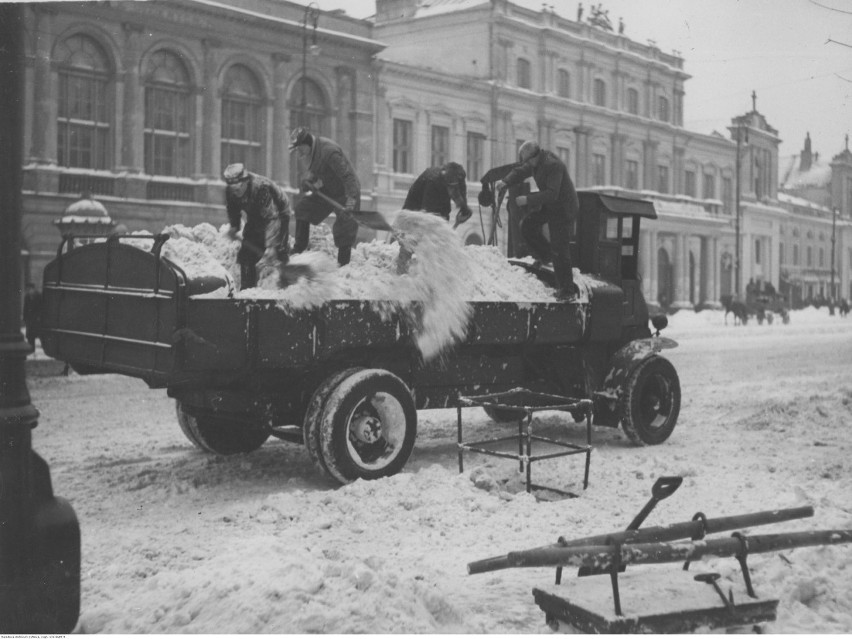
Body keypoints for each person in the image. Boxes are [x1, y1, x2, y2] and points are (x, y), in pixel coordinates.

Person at [494, 140, 579, 299]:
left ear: (534, 156)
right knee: (527, 225)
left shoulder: (553, 165)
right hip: (551, 205)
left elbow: (552, 194)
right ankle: (545, 255)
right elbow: (520, 171)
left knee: (559, 248)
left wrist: (527, 199)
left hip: (563, 208)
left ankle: (568, 291)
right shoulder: (535, 163)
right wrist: (505, 181)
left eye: (527, 162)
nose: (527, 165)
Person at [288, 127, 360, 266]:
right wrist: (309, 182)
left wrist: (351, 204)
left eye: (300, 148)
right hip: (329, 190)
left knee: (344, 228)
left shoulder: (329, 152)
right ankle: (298, 249)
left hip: (348, 192)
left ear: (306, 144)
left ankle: (343, 265)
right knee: (303, 209)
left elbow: (349, 178)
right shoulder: (313, 152)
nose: (299, 152)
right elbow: (317, 172)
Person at [223, 163, 291, 289]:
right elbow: (233, 209)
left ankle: (285, 286)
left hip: (279, 213)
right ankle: (247, 290)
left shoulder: (260, 189)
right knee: (246, 254)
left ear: (245, 182)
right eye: (233, 189)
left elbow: (272, 218)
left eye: (238, 189)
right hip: (255, 213)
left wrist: (271, 246)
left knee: (278, 251)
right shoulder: (231, 191)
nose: (236, 193)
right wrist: (234, 227)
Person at [403, 162, 473, 228]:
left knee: (443, 220)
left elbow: (462, 195)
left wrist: (464, 209)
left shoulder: (458, 177)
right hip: (413, 211)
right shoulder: (433, 181)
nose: (452, 194)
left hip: (436, 198)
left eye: (455, 191)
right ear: (446, 184)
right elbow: (427, 215)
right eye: (451, 190)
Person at [23, 282, 43, 349]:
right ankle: (31, 348)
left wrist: (40, 317)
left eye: (30, 289)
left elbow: (41, 307)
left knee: (39, 334)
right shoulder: (27, 296)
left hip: (37, 319)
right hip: (30, 319)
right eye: (28, 289)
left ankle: (43, 347)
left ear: (33, 288)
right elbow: (25, 308)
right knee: (30, 336)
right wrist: (25, 318)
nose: (29, 290)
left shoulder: (39, 295)